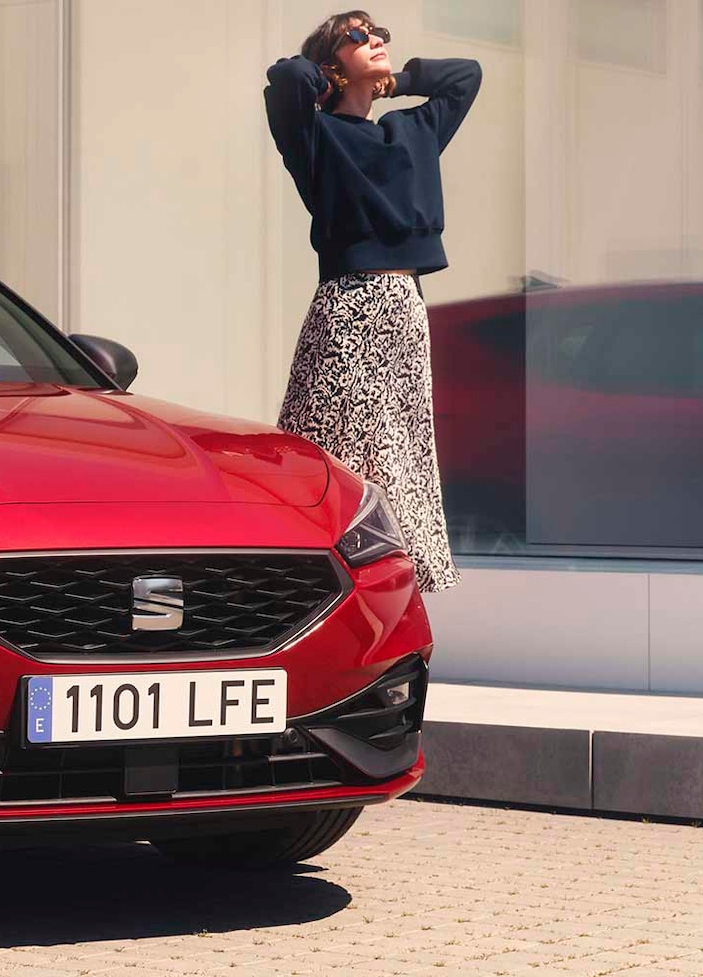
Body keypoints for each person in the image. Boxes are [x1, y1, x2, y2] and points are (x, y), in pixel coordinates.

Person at [264, 10, 480, 593]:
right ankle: (311, 577)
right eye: (357, 38)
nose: (376, 41)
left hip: (404, 307)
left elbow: (466, 74)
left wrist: (391, 78)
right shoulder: (315, 135)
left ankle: (390, 587)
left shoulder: (412, 129)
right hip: (347, 305)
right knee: (336, 448)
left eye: (378, 33)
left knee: (402, 451)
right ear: (331, 63)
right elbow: (285, 80)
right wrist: (330, 75)